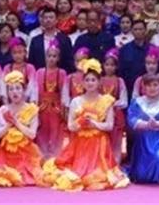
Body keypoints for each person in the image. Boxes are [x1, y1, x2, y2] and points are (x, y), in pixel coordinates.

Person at [44, 58, 129, 191]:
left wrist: (93, 124)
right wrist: (80, 123)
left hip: (99, 145)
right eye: (87, 80)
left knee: (100, 175)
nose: (90, 83)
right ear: (83, 83)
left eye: (93, 80)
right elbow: (70, 126)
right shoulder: (76, 101)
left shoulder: (106, 101)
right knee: (74, 173)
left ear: (99, 82)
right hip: (80, 143)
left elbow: (109, 126)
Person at [35, 40, 67, 158]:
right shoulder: (39, 72)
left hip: (56, 107)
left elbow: (64, 92)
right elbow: (35, 91)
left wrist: (63, 108)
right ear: (45, 57)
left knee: (55, 130)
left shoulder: (62, 73)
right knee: (42, 130)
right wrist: (35, 107)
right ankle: (42, 155)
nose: (51, 59)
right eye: (49, 56)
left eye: (54, 56)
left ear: (58, 58)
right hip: (42, 107)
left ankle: (55, 155)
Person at [100, 48, 128, 163]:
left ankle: (116, 162)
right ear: (103, 66)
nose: (109, 67)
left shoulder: (119, 81)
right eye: (107, 65)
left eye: (112, 65)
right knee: (103, 140)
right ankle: (104, 162)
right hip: (102, 115)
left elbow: (124, 101)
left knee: (116, 140)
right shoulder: (99, 80)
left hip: (116, 114)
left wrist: (111, 103)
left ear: (116, 67)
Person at [27, 7, 74, 73]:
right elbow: (31, 62)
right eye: (46, 18)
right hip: (40, 75)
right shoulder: (35, 41)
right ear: (42, 21)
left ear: (56, 20)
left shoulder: (65, 40)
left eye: (51, 17)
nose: (48, 20)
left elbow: (69, 61)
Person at [0, 39, 37, 104]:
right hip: (10, 101)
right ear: (11, 54)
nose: (17, 55)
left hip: (25, 101)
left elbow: (32, 86)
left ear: (25, 53)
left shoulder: (29, 68)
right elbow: (3, 87)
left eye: (20, 52)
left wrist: (24, 100)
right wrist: (6, 103)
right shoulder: (7, 68)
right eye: (15, 53)